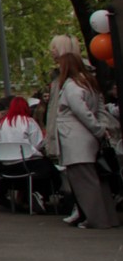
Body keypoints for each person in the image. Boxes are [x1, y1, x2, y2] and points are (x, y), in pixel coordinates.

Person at [47, 48, 120, 229]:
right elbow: (100, 109)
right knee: (98, 181)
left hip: (75, 140)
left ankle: (96, 219)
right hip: (89, 140)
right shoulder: (90, 83)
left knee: (84, 183)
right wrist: (101, 128)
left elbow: (82, 112)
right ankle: (108, 217)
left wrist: (97, 129)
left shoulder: (71, 86)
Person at [0, 96, 51, 214]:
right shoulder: (29, 122)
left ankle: (30, 197)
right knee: (49, 169)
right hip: (27, 163)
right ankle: (41, 195)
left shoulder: (0, 124)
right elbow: (38, 143)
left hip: (6, 165)